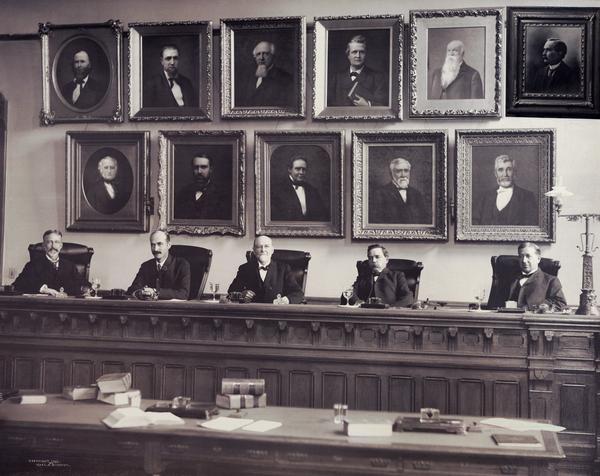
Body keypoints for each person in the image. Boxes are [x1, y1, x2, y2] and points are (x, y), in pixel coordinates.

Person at [228, 235, 304, 304]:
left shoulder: (284, 268)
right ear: (254, 251)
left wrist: (286, 300)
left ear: (272, 250)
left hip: (277, 314)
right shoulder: (245, 269)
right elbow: (231, 292)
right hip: (251, 314)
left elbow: (298, 293)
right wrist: (241, 295)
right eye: (259, 247)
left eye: (266, 246)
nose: (263, 250)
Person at [12, 230, 83, 296]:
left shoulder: (70, 266)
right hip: (42, 306)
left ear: (61, 246)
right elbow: (17, 285)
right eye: (49, 242)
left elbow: (82, 284)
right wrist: (43, 289)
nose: (53, 246)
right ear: (43, 246)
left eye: (56, 242)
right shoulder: (32, 265)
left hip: (66, 306)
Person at [473, 155, 538, 226]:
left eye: (509, 169)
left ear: (514, 172)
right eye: (501, 170)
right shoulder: (484, 197)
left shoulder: (527, 197)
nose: (505, 174)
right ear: (495, 174)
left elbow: (531, 229)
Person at [127, 229, 190, 300]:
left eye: (159, 244)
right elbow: (131, 290)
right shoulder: (146, 266)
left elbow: (184, 294)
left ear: (168, 245)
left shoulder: (182, 265)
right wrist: (141, 292)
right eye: (153, 245)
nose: (155, 249)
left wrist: (155, 292)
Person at [328, 34, 387, 107]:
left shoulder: (378, 77)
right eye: (354, 52)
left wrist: (368, 105)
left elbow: (384, 106)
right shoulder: (337, 78)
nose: (358, 56)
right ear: (348, 55)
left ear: (366, 54)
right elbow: (329, 105)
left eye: (361, 52)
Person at [506, 242, 567, 311]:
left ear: (538, 259)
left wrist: (541, 307)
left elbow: (561, 305)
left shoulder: (551, 281)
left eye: (528, 256)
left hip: (535, 320)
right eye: (521, 256)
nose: (524, 260)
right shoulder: (508, 278)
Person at [349, 244, 413, 307]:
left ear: (386, 260)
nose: (373, 261)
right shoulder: (363, 276)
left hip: (387, 315)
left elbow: (408, 298)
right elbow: (350, 294)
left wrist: (390, 308)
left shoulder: (397, 276)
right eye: (370, 258)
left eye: (377, 257)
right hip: (364, 313)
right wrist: (359, 303)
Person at [270, 155, 329, 221]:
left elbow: (321, 214)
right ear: (289, 169)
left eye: (304, 169)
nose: (301, 172)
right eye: (297, 169)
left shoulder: (312, 190)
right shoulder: (277, 190)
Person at [371, 158, 428, 224]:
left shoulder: (416, 193)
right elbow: (377, 221)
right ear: (391, 173)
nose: (403, 175)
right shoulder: (380, 193)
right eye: (398, 171)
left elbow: (424, 219)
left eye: (406, 171)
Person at [236, 41, 293, 107]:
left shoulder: (285, 78)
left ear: (273, 56)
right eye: (258, 54)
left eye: (265, 54)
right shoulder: (247, 77)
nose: (261, 58)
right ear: (255, 57)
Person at [174, 155, 231, 220]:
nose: (199, 171)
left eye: (203, 167)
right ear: (192, 169)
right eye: (196, 167)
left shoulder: (222, 195)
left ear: (211, 169)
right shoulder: (182, 194)